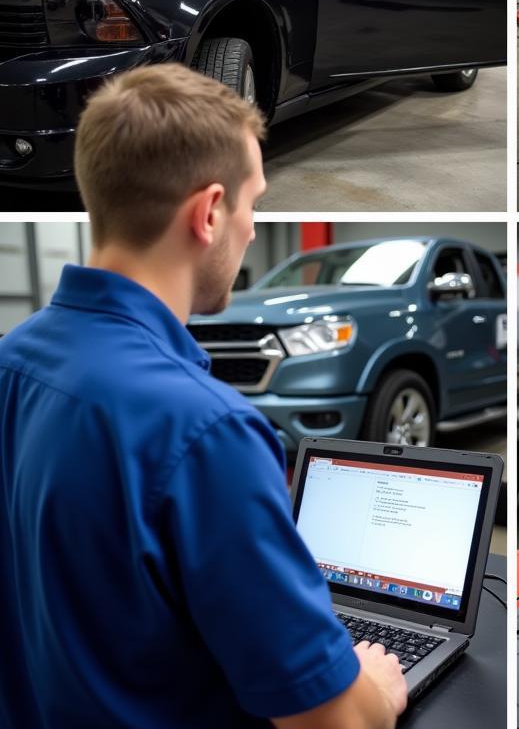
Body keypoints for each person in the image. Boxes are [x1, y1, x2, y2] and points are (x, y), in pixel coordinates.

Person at [0, 65, 407, 729]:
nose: (252, 229)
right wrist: (375, 689)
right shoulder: (208, 430)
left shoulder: (13, 360)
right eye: (253, 203)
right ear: (210, 212)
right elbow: (334, 721)